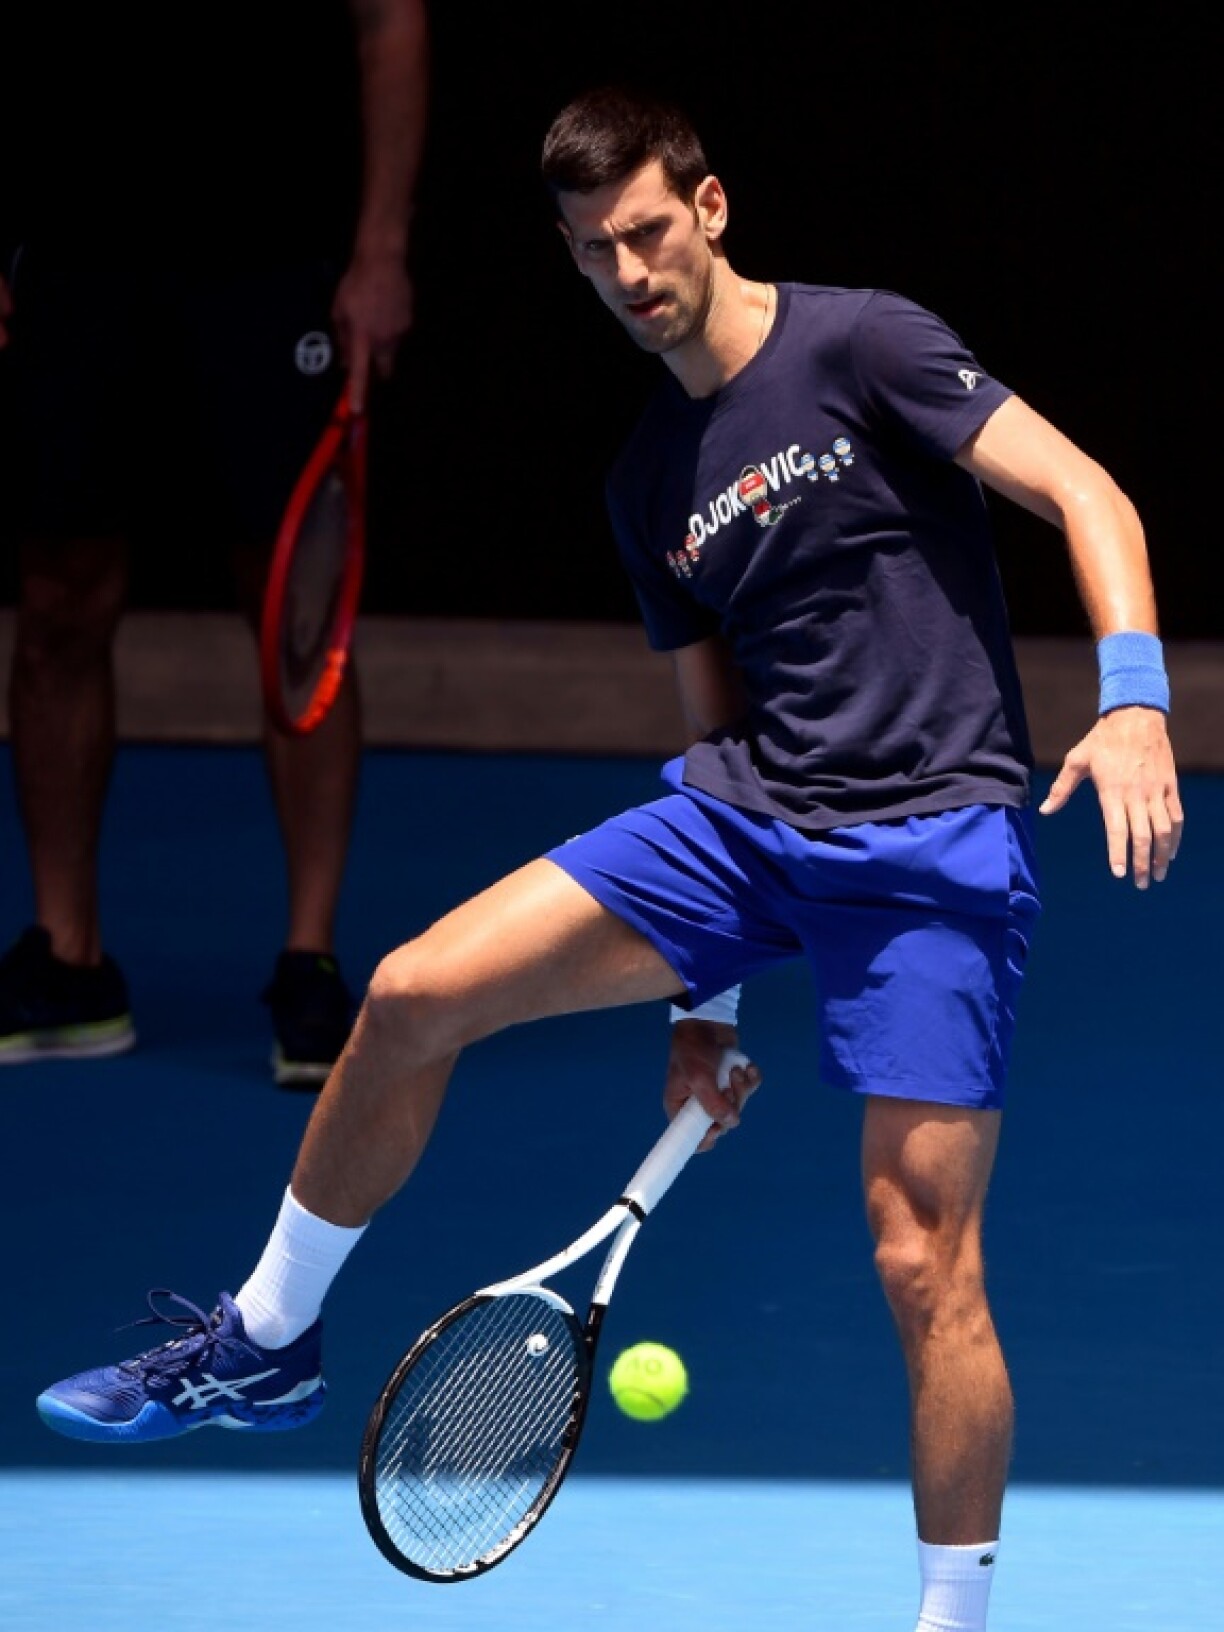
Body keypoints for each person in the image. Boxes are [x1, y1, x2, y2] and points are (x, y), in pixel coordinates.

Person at [35, 84, 1182, 1631]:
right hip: (750, 828)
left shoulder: (866, 344)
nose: (629, 272)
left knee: (924, 1264)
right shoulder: (650, 479)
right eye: (594, 253)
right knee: (412, 991)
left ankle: (951, 1618)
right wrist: (700, 1018)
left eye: (647, 232)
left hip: (932, 846)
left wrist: (1132, 703)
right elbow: (713, 725)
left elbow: (1085, 489)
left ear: (709, 212)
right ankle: (267, 1338)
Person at [0, 0, 430, 1085]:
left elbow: (389, 22)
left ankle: (310, 961)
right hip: (77, 251)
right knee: (57, 597)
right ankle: (70, 959)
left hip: (271, 253)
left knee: (297, 606)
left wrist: (379, 249)